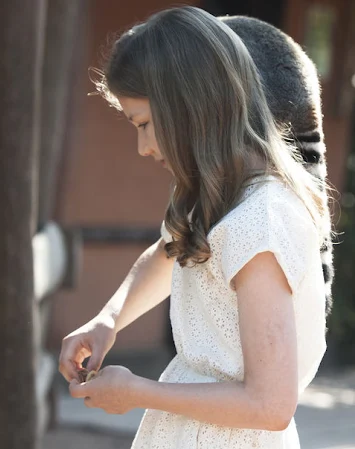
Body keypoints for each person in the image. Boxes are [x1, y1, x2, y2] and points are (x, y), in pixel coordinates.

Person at [58, 6, 328, 449]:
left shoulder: (260, 223)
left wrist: (137, 392)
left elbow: (270, 405)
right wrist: (108, 320)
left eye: (144, 125)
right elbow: (170, 253)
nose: (143, 148)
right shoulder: (221, 198)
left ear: (190, 107)